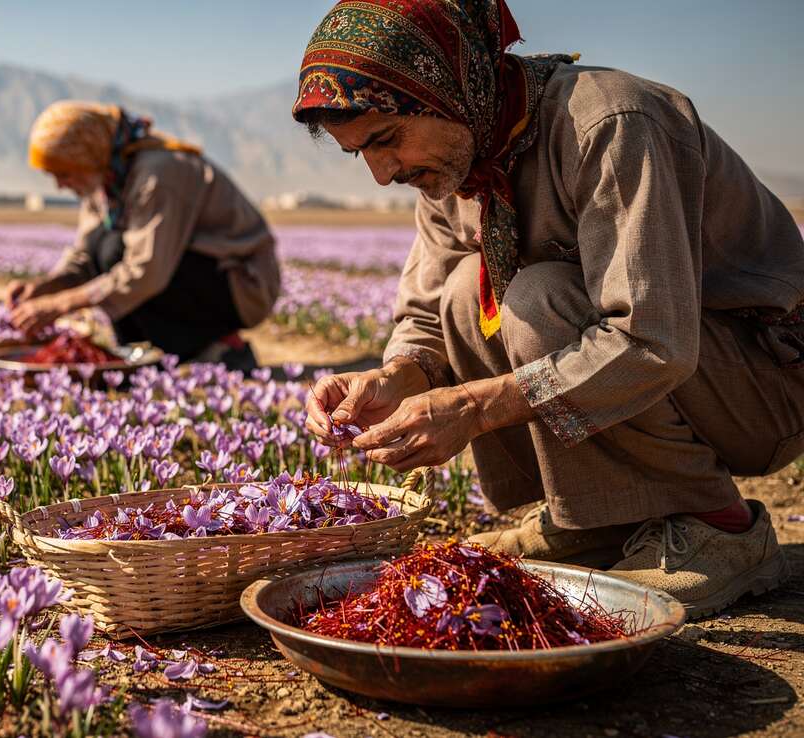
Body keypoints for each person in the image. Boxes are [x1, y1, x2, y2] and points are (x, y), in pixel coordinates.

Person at [295, 0, 803, 616]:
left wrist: (475, 405)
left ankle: (721, 527)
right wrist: (397, 378)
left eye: (386, 140)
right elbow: (427, 312)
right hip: (690, 376)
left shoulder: (610, 124)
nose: (381, 173)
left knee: (536, 300)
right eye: (360, 154)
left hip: (760, 382)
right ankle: (595, 523)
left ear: (445, 89)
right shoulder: (455, 164)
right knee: (466, 295)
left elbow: (652, 340)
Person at [8, 101, 281, 369]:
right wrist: (44, 288)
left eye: (64, 173)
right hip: (183, 270)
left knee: (114, 250)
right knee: (103, 246)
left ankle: (220, 346)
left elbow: (145, 270)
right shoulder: (105, 178)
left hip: (240, 284)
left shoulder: (158, 174)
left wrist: (60, 304)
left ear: (86, 156)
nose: (59, 185)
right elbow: (85, 254)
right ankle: (148, 353)